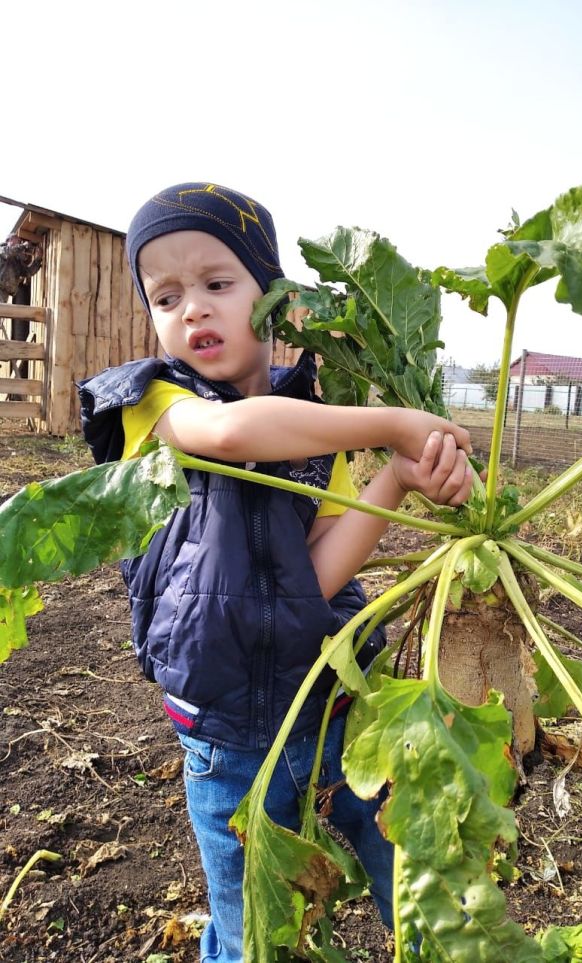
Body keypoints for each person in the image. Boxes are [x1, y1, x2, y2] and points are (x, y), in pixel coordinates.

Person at [77, 182, 473, 962]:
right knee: (253, 925)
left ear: (269, 303)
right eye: (166, 295)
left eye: (217, 285)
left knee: (413, 878)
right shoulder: (152, 402)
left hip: (329, 712)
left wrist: (395, 477)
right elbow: (227, 431)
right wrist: (395, 421)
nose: (192, 309)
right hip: (224, 738)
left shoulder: (312, 425)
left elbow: (320, 572)